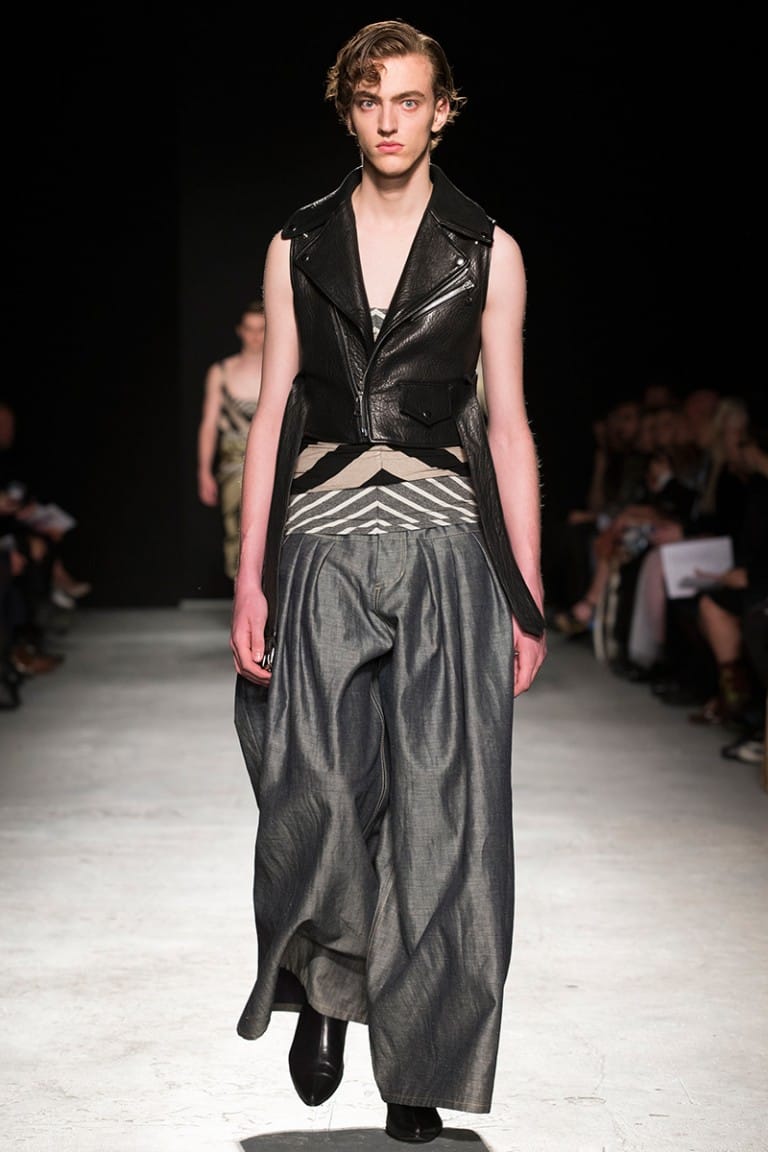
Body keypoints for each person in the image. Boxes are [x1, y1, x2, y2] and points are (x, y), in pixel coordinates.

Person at [230, 20, 547, 1145]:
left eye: (409, 100)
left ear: (443, 109)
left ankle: (417, 1062)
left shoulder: (486, 248)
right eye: (371, 100)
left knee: (444, 815)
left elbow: (507, 427)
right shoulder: (299, 241)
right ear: (348, 108)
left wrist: (527, 593)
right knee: (313, 785)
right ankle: (328, 984)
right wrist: (250, 574)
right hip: (320, 539)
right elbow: (274, 410)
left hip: (448, 547)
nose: (389, 120)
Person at [197, 298, 265, 582]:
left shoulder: (281, 370)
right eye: (249, 329)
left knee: (272, 527)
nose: (255, 336)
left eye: (261, 329)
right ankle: (242, 592)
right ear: (240, 330)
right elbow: (209, 424)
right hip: (232, 462)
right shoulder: (222, 372)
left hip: (271, 460)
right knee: (237, 528)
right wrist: (204, 471)